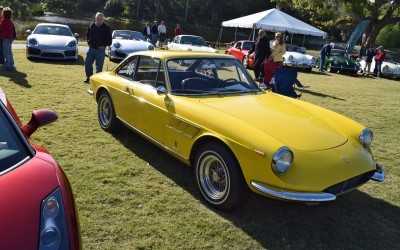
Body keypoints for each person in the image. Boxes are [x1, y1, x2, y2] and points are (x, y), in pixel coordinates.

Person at [84, 12, 112, 83]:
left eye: (100, 19)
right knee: (87, 63)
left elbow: (109, 40)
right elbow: (87, 35)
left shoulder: (106, 28)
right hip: (91, 49)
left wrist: (104, 45)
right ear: (95, 18)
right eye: (97, 19)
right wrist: (88, 42)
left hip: (100, 50)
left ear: (103, 19)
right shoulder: (92, 26)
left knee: (98, 67)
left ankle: (96, 80)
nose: (98, 20)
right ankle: (89, 77)